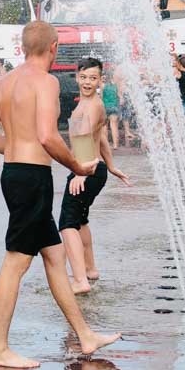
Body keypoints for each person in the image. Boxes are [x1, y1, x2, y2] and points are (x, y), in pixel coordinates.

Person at [0, 21, 120, 368]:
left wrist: (13, 150)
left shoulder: (5, 82)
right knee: (16, 260)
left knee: (55, 257)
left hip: (17, 173)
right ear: (53, 47)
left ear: (23, 47)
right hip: (32, 177)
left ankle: (85, 334)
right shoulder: (47, 81)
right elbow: (47, 136)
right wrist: (78, 165)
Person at [59, 59, 131, 294]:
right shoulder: (90, 104)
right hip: (91, 168)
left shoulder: (91, 106)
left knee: (67, 222)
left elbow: (83, 140)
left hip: (86, 169)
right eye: (84, 77)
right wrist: (110, 165)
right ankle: (89, 269)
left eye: (93, 78)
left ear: (101, 80)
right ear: (77, 76)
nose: (88, 82)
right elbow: (100, 138)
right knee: (80, 219)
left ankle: (80, 280)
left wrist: (83, 170)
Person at [101, 71, 120, 149]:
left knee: (105, 126)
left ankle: (106, 145)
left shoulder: (102, 85)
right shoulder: (116, 86)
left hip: (105, 107)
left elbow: (101, 97)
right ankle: (115, 145)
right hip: (114, 107)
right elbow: (119, 96)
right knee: (114, 126)